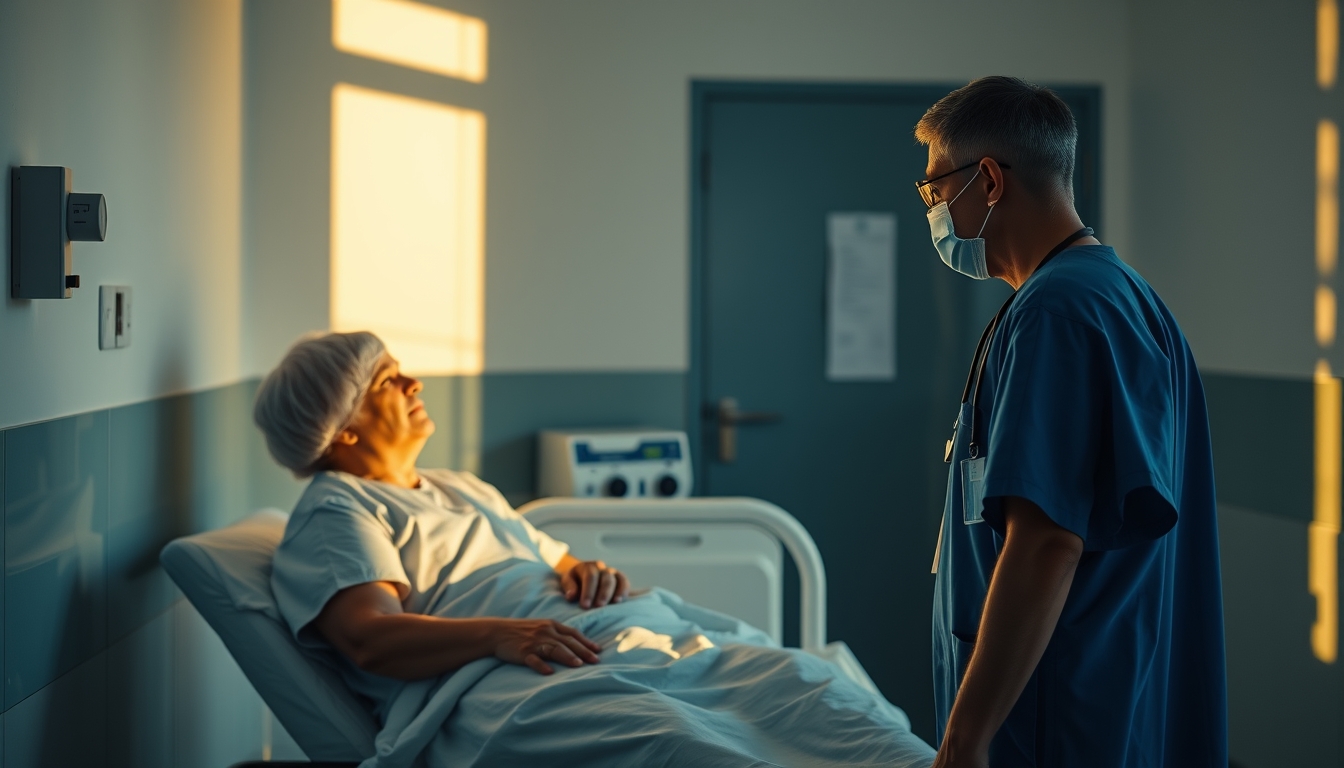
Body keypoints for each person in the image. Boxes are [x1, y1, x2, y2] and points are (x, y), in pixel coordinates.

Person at [253, 330, 938, 767]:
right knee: (679, 743)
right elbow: (371, 638)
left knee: (810, 690)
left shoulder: (454, 486)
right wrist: (503, 635)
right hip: (513, 682)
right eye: (388, 382)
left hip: (607, 636)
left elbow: (547, 555)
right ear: (341, 431)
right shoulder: (339, 510)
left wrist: (581, 569)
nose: (414, 386)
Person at [914, 77, 1226, 768]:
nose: (933, 212)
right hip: (1094, 693)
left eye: (936, 191)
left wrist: (966, 740)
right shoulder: (1117, 295)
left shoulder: (1060, 312)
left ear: (988, 180)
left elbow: (1048, 542)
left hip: (1051, 715)